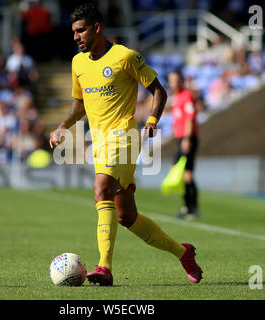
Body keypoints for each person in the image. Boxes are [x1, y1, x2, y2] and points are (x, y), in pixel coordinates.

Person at [49, 3, 203, 286]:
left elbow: (158, 89)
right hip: (100, 143)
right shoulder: (77, 64)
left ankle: (104, 268)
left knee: (101, 188)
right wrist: (63, 126)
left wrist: (153, 118)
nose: (76, 37)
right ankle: (183, 252)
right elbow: (80, 103)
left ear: (97, 28)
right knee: (126, 216)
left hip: (124, 136)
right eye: (73, 32)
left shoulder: (125, 57)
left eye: (81, 30)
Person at [168, 70, 200, 219]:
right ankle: (188, 207)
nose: (173, 84)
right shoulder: (177, 97)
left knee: (186, 174)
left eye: (176, 80)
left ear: (181, 81)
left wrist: (187, 139)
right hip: (181, 138)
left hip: (188, 138)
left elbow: (189, 118)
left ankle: (192, 208)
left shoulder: (186, 96)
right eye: (171, 81)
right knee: (181, 174)